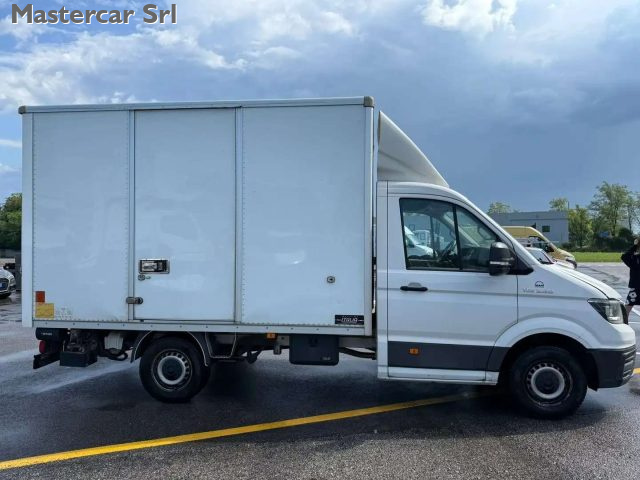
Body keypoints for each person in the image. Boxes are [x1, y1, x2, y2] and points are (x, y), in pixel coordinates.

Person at [621, 237, 640, 317]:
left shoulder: (636, 258)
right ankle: (624, 323)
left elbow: (625, 256)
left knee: (626, 310)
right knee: (626, 311)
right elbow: (624, 256)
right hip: (636, 288)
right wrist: (635, 246)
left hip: (636, 287)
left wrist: (635, 246)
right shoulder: (636, 258)